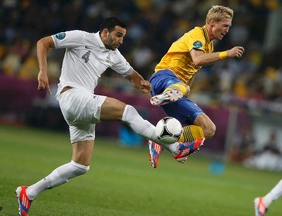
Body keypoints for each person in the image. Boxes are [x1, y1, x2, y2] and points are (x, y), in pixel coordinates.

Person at [15, 17, 204, 216]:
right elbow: (43, 43)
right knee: (128, 112)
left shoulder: (114, 55)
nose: (121, 40)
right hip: (71, 96)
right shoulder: (81, 37)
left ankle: (29, 192)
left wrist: (142, 84)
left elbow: (131, 74)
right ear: (105, 32)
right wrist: (43, 72)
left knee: (80, 165)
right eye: (118, 35)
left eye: (123, 36)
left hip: (80, 107)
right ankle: (174, 147)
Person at [148, 5, 245, 168]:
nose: (227, 30)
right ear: (212, 22)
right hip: (163, 77)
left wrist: (185, 97)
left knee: (209, 129)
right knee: (183, 87)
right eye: (225, 26)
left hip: (178, 89)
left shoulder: (209, 46)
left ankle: (161, 142)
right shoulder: (196, 34)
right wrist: (226, 54)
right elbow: (198, 60)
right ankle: (170, 93)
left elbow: (192, 71)